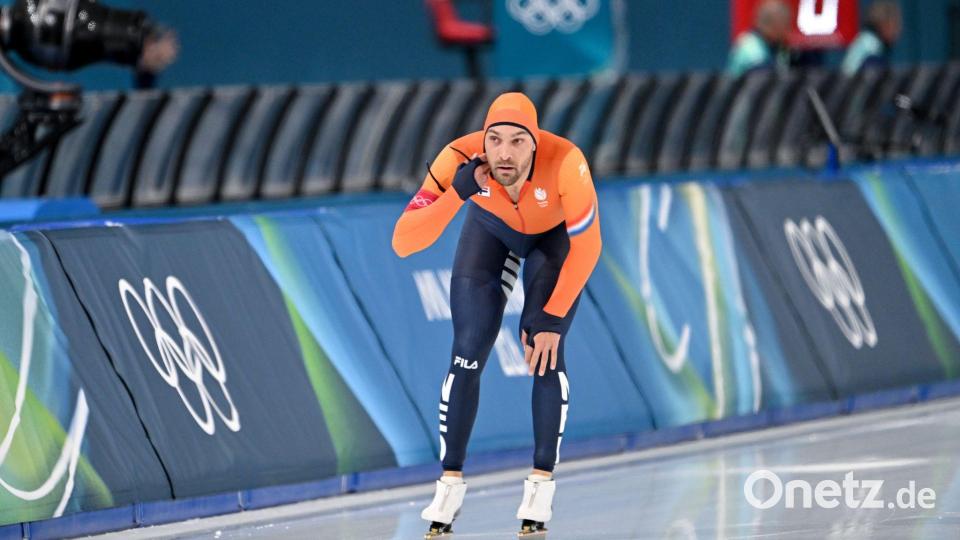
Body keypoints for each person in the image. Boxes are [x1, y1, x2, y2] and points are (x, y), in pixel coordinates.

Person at [392, 92, 601, 538]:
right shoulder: (458, 156)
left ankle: (540, 488)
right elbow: (404, 241)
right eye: (495, 141)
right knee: (467, 351)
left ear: (536, 144)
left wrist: (553, 317)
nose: (504, 153)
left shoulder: (566, 161)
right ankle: (448, 486)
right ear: (483, 142)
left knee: (543, 347)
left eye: (517, 142)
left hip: (552, 239)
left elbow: (588, 246)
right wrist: (456, 195)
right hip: (490, 232)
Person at [727, 0, 792, 77]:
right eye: (785, 24)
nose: (788, 30)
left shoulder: (777, 46)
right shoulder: (750, 48)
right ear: (771, 25)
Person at [841, 1, 901, 76]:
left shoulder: (866, 40)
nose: (898, 30)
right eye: (895, 24)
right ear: (884, 23)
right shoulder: (871, 45)